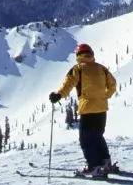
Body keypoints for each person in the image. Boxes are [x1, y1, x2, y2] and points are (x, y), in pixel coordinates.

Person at [50, 44, 117, 177]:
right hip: (101, 108)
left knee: (86, 139)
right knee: (98, 136)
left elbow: (68, 84)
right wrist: (104, 96)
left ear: (78, 55)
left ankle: (93, 167)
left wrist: (58, 95)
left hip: (87, 109)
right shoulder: (101, 68)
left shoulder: (78, 69)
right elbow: (113, 84)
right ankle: (105, 162)